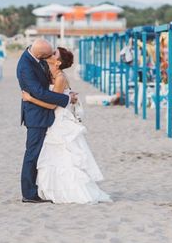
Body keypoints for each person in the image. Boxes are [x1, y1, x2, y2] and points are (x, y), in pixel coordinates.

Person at [22, 47, 111, 204]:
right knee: (52, 155)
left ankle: (65, 189)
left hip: (58, 118)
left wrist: (30, 99)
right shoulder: (50, 72)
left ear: (58, 61)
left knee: (62, 155)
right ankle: (44, 190)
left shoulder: (60, 78)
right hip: (54, 118)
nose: (50, 53)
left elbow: (51, 105)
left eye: (54, 53)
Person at [16, 39, 77, 203]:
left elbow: (48, 87)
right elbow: (39, 93)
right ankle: (28, 194)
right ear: (41, 54)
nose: (50, 56)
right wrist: (66, 98)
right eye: (49, 54)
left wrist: (67, 94)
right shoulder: (25, 66)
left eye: (53, 53)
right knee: (32, 154)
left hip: (44, 114)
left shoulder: (38, 60)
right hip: (36, 116)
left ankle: (36, 189)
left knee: (40, 155)